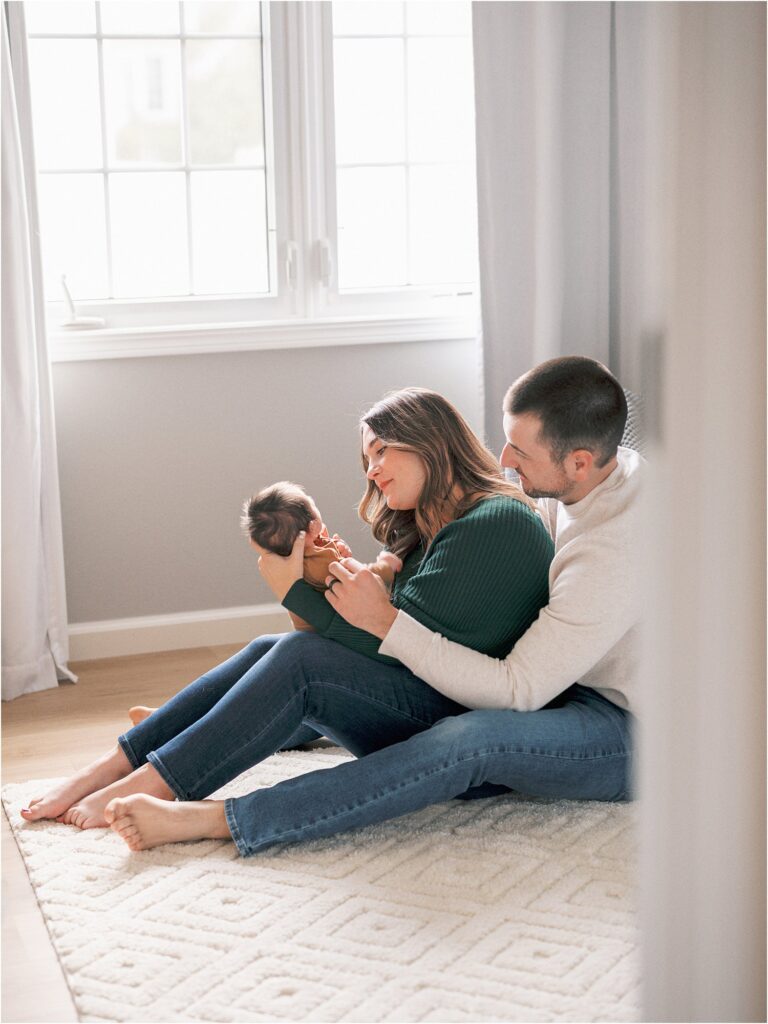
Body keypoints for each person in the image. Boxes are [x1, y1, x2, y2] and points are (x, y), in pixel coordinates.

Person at [20, 387, 554, 852]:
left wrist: (296, 590)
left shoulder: (496, 522)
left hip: (458, 730)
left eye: (382, 449)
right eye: (367, 457)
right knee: (268, 648)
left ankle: (156, 782)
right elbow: (373, 642)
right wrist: (309, 583)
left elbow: (393, 650)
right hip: (427, 696)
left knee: (299, 660)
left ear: (430, 440)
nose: (371, 469)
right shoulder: (435, 528)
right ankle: (113, 765)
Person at [127, 481, 401, 727]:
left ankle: (171, 718)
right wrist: (385, 567)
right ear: (314, 526)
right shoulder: (322, 563)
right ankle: (175, 721)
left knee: (264, 683)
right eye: (316, 511)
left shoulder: (301, 561)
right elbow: (363, 580)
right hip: (335, 646)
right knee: (264, 659)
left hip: (325, 647)